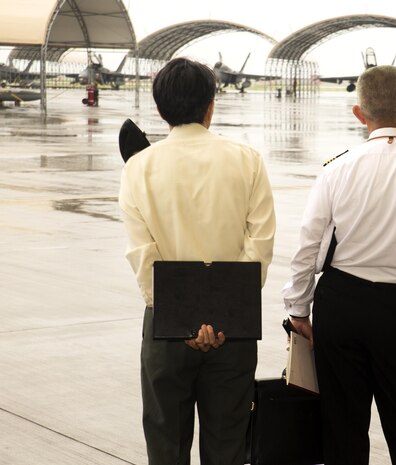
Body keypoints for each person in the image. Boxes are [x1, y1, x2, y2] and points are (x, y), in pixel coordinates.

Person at [282, 65, 396, 465]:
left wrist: (299, 309)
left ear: (359, 112)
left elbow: (307, 246)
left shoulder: (337, 167)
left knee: (342, 428)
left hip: (340, 305)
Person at [118, 57, 275, 465]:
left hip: (166, 328)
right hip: (233, 329)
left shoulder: (138, 168)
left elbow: (143, 254)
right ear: (211, 104)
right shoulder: (247, 160)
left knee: (166, 447)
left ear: (160, 108)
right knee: (228, 448)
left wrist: (185, 321)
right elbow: (259, 245)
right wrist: (220, 317)